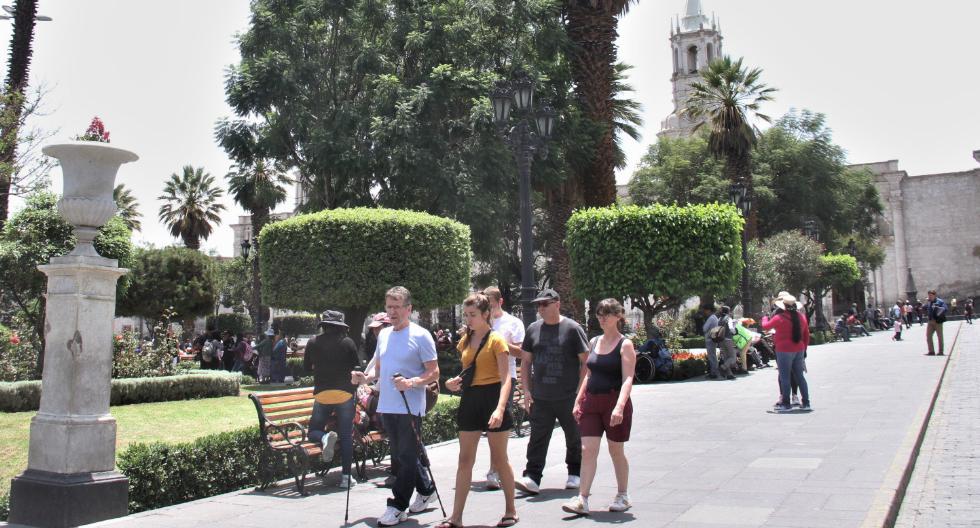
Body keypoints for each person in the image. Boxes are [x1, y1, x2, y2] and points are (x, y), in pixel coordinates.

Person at [350, 286, 439, 527]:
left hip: (410, 406)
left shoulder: (421, 335)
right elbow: (378, 369)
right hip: (387, 405)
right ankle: (426, 488)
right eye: (389, 307)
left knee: (405, 458)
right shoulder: (385, 335)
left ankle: (398, 506)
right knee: (403, 455)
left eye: (397, 307)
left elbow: (434, 372)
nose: (392, 312)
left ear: (409, 309)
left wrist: (411, 382)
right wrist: (363, 378)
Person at [439, 293, 518, 528]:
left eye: (472, 315)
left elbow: (506, 380)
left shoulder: (497, 341)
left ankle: (511, 511)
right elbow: (468, 373)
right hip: (471, 398)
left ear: (486, 314)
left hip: (493, 397)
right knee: (465, 460)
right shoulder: (464, 340)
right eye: (466, 314)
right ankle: (456, 518)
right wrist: (451, 383)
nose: (468, 319)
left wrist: (500, 409)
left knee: (500, 458)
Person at [561, 299, 635, 516]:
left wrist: (620, 406)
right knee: (587, 450)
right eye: (599, 313)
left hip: (613, 402)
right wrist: (578, 400)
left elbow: (628, 378)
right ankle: (582, 499)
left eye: (608, 313)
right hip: (591, 402)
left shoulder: (625, 344)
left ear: (619, 316)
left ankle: (623, 494)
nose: (602, 317)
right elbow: (588, 374)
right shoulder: (594, 342)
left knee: (615, 451)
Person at [515, 289, 589, 495]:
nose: (540, 308)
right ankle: (532, 476)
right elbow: (526, 361)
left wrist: (579, 391)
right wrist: (527, 391)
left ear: (557, 304)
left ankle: (575, 472)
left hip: (568, 396)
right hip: (541, 396)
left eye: (545, 304)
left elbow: (586, 361)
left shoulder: (573, 329)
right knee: (538, 437)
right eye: (538, 305)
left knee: (573, 436)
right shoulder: (533, 329)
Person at [304, 310, 361, 488]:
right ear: (340, 326)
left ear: (325, 325)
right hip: (345, 394)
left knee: (313, 430)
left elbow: (306, 368)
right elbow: (356, 367)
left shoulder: (313, 342)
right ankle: (346, 478)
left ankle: (325, 436)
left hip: (322, 394)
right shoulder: (348, 342)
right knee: (345, 435)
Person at [482, 286, 525, 492]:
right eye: (485, 307)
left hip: (505, 379)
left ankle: (495, 469)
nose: (488, 311)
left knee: (497, 427)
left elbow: (521, 353)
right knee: (490, 428)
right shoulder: (481, 322)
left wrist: (499, 343)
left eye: (490, 306)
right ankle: (497, 468)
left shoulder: (513, 323)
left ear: (500, 302)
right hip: (483, 380)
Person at [762, 294, 811, 411]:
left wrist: (764, 317)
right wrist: (804, 349)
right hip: (799, 349)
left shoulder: (780, 317)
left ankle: (786, 403)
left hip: (784, 350)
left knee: (785, 377)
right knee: (800, 376)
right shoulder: (801, 317)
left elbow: (766, 326)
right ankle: (806, 402)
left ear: (783, 306)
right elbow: (806, 334)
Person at [716, 306, 738, 380]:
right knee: (732, 357)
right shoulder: (729, 318)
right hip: (728, 339)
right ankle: (722, 367)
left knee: (726, 357)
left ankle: (729, 374)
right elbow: (731, 328)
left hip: (721, 340)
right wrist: (735, 331)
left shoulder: (719, 319)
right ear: (728, 311)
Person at [924, 290, 948, 356]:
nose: (929, 297)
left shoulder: (940, 301)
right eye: (929, 295)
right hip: (930, 321)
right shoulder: (929, 302)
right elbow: (925, 308)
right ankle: (931, 351)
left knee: (940, 337)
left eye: (931, 295)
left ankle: (941, 351)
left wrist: (938, 308)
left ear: (935, 295)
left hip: (938, 321)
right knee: (928, 336)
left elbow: (945, 308)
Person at [701, 304, 720, 379]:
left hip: (709, 339)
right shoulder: (715, 317)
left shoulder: (711, 318)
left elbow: (704, 328)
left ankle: (713, 372)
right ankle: (714, 371)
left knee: (711, 356)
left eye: (705, 310)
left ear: (708, 310)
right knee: (713, 355)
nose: (704, 312)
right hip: (713, 338)